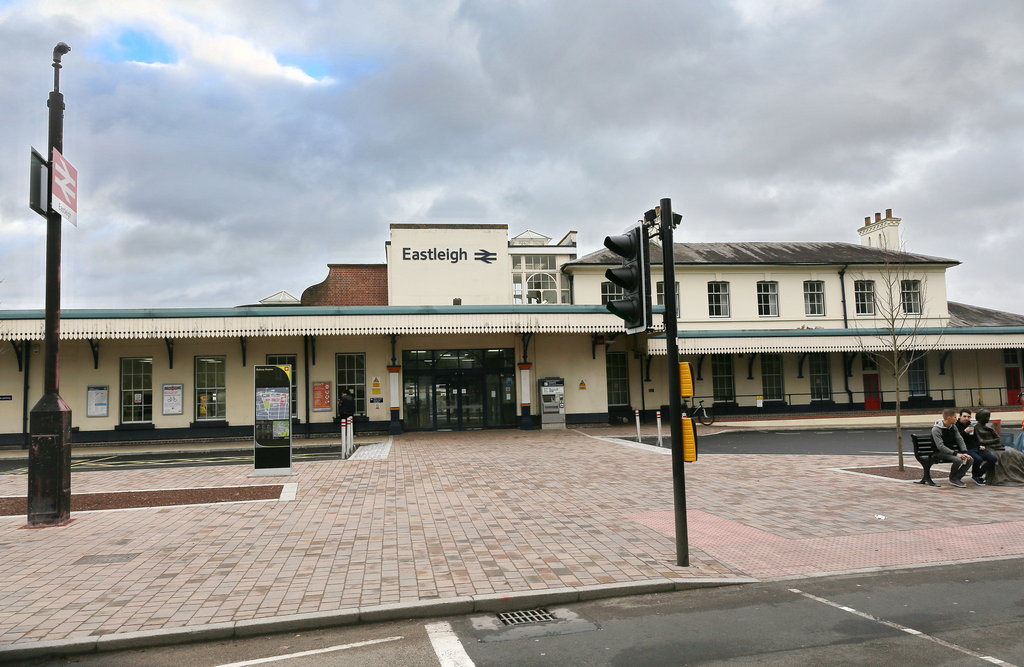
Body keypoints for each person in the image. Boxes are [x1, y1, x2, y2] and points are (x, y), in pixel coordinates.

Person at [977, 409, 1024, 486]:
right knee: (1006, 453)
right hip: (987, 448)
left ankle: (1018, 473)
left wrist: (995, 441)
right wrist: (993, 442)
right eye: (986, 417)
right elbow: (981, 441)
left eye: (988, 417)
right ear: (981, 418)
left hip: (994, 446)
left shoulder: (987, 427)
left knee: (1013, 452)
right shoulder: (978, 428)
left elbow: (997, 437)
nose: (988, 419)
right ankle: (1008, 475)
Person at [930, 407, 973, 487]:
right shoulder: (936, 429)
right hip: (939, 453)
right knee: (958, 460)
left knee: (970, 459)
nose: (956, 419)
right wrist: (956, 454)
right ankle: (952, 479)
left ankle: (956, 478)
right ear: (949, 418)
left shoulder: (953, 426)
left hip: (950, 452)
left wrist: (964, 452)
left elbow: (959, 439)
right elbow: (940, 446)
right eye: (955, 417)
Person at [956, 408, 996, 485]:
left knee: (993, 458)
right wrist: (964, 432)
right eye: (964, 416)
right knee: (978, 459)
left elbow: (975, 438)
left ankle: (978, 475)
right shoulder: (956, 426)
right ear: (960, 416)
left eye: (968, 417)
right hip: (965, 449)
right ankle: (976, 476)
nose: (967, 418)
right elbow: (956, 439)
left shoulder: (971, 425)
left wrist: (979, 445)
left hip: (975, 448)